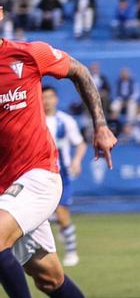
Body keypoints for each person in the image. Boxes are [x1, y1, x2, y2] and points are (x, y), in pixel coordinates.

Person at [0, 10, 122, 298]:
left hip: (40, 175)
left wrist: (99, 125)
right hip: (7, 191)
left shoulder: (28, 55)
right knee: (50, 278)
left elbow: (80, 72)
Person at [43, 87, 85, 267]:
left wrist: (76, 161)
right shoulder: (35, 120)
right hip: (39, 174)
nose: (47, 101)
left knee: (61, 213)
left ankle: (71, 251)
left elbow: (80, 143)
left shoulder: (66, 121)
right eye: (43, 97)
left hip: (62, 175)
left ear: (57, 99)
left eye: (50, 97)